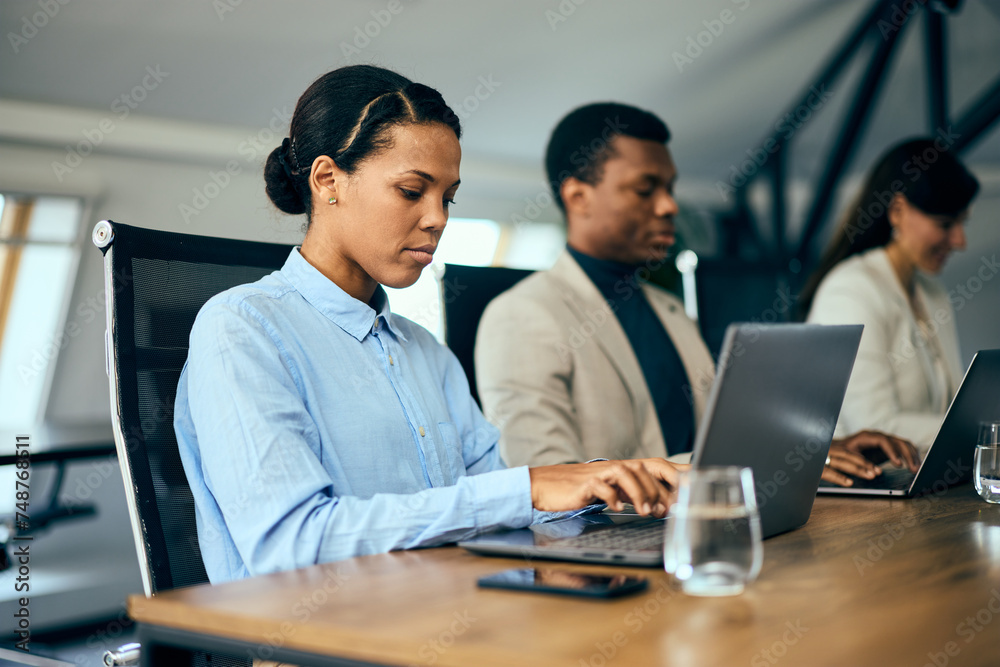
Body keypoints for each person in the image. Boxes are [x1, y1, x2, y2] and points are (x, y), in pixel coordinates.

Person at [173, 66, 685, 585]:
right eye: (412, 190)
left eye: (448, 197)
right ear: (328, 180)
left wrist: (611, 483)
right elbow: (294, 546)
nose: (438, 218)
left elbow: (506, 505)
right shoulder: (241, 329)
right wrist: (527, 489)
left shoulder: (424, 351)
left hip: (453, 619)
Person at [475, 102, 920, 488]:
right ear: (578, 197)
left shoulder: (669, 310)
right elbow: (549, 482)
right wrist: (754, 463)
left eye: (669, 188)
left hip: (705, 532)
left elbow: (715, 442)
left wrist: (810, 448)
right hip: (612, 561)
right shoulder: (522, 315)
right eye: (645, 189)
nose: (669, 206)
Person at [801, 138, 980, 447]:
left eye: (961, 223)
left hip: (921, 486)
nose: (960, 241)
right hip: (861, 491)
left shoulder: (932, 292)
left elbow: (953, 407)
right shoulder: (851, 290)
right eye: (946, 223)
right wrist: (982, 430)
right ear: (897, 210)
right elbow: (874, 428)